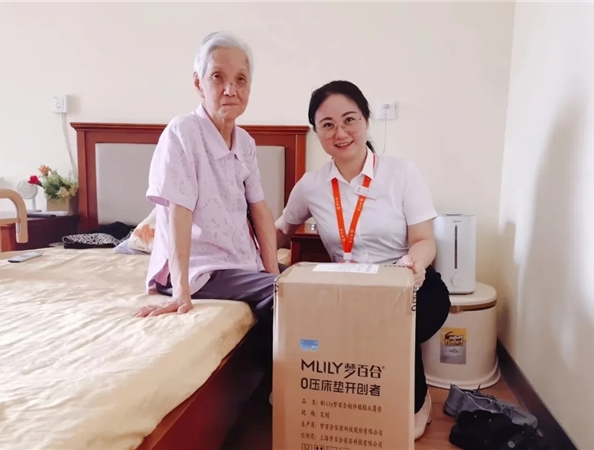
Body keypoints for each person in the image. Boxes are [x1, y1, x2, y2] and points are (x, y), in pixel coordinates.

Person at [275, 80, 451, 440]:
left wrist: (413, 265)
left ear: (366, 120)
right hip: (346, 290)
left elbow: (424, 240)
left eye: (349, 120)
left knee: (393, 326)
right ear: (316, 132)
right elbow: (280, 230)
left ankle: (416, 399)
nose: (340, 133)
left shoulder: (401, 173)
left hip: (407, 284)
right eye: (327, 125)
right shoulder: (311, 185)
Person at [134, 32, 280, 381]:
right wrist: (181, 290)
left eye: (240, 80)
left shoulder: (245, 142)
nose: (231, 89)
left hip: (238, 263)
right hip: (202, 267)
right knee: (288, 296)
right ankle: (276, 390)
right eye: (218, 77)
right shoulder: (182, 132)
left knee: (299, 285)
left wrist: (274, 273)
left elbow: (260, 211)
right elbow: (178, 213)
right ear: (198, 83)